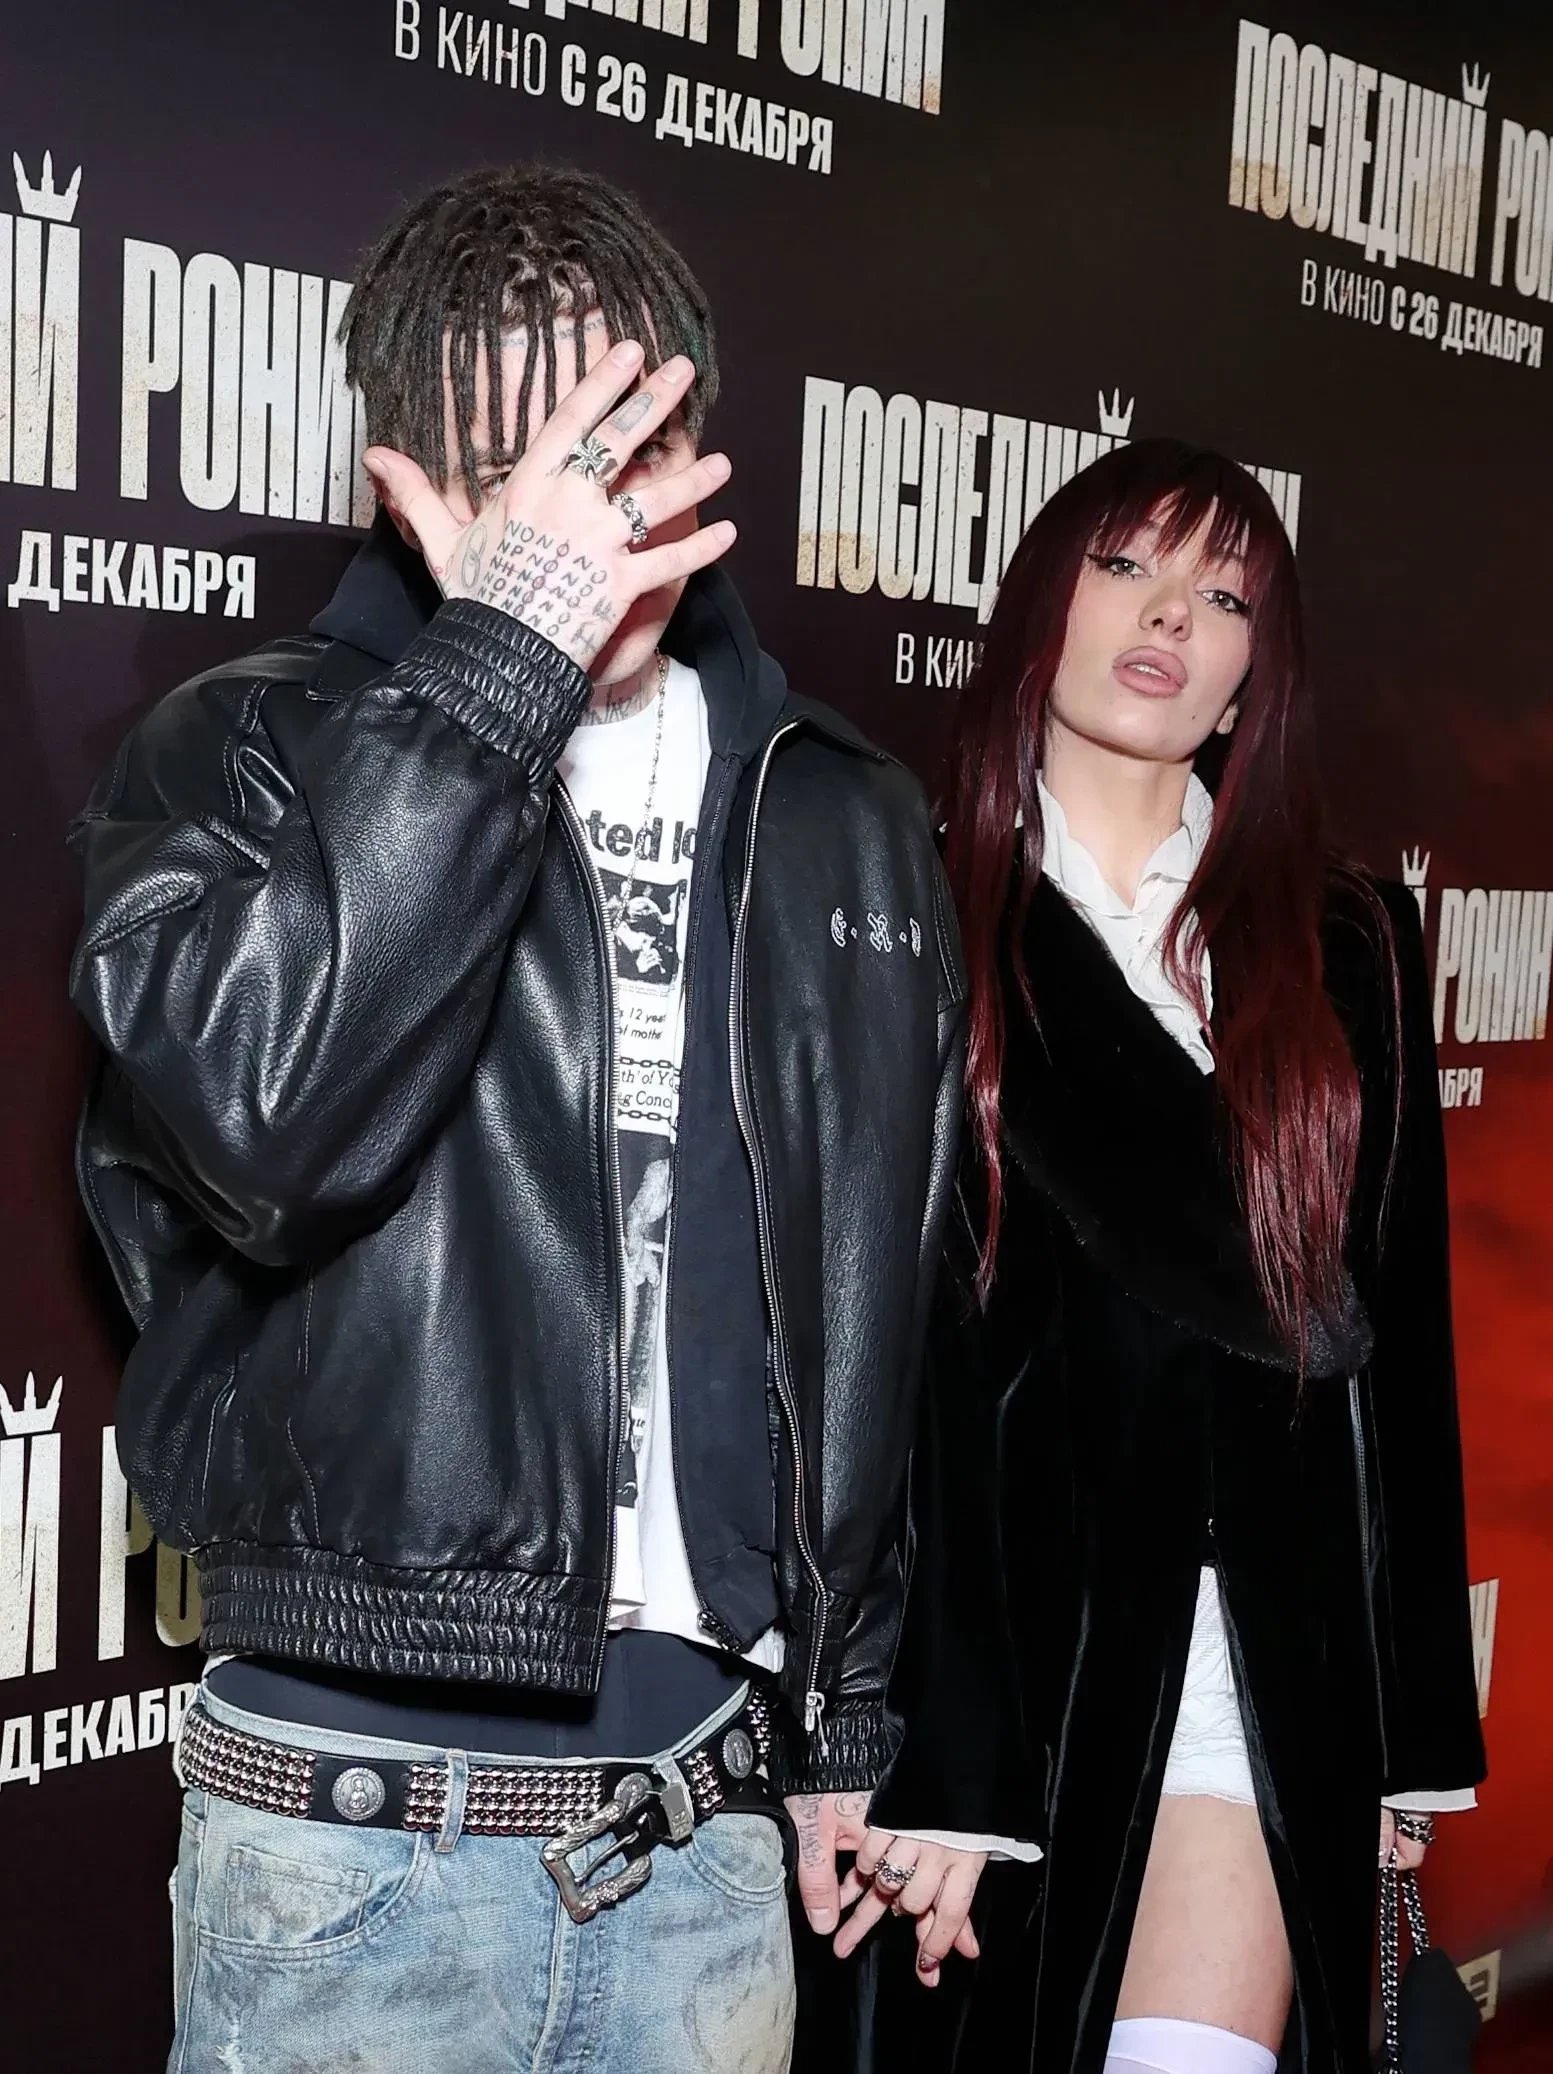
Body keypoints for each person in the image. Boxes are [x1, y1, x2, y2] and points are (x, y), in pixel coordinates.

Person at [68, 166, 965, 2074]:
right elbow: (270, 1126)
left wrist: (849, 1719)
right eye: (520, 477)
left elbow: (884, 1297)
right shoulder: (242, 749)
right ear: (406, 485)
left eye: (619, 457)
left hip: (709, 1844)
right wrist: (505, 659)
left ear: (699, 452)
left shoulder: (845, 811)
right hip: (353, 1854)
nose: (588, 530)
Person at [833, 441, 1486, 2074]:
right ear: (1041, 601)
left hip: (1255, 1655)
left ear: (1258, 667)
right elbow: (870, 1359)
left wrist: (1409, 1726)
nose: (1171, 618)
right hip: (987, 1644)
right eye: (1127, 567)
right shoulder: (901, 902)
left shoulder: (1348, 940)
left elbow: (1401, 1344)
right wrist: (917, 1727)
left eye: (1224, 596)